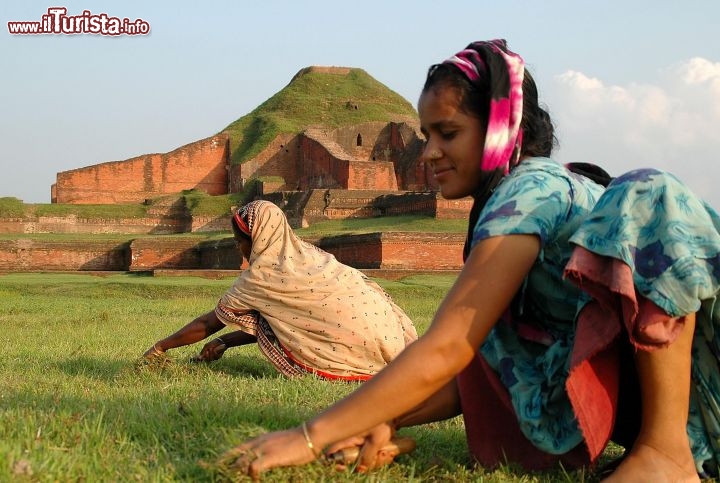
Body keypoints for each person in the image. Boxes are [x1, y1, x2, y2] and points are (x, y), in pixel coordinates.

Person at [217, 40, 720, 482]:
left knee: (646, 191)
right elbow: (476, 370)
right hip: (708, 424)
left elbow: (449, 345)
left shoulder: (532, 190)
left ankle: (665, 453)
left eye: (448, 133)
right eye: (426, 135)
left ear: (501, 128)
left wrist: (310, 436)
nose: (429, 152)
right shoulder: (507, 210)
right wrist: (386, 417)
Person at [143, 200, 417, 381]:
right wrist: (227, 343)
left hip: (363, 355)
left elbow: (207, 323)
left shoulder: (263, 275)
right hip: (397, 341)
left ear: (257, 239)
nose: (240, 249)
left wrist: (159, 348)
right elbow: (292, 322)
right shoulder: (310, 256)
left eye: (240, 241)